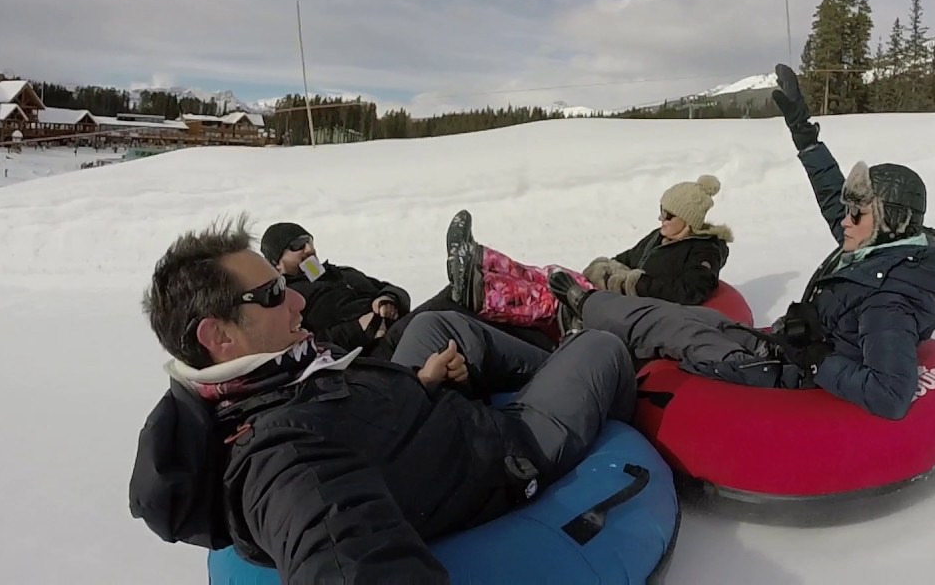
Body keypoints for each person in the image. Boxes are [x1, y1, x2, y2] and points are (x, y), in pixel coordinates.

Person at [128, 215, 638, 583]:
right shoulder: (285, 461)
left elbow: (351, 416)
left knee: (435, 325)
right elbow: (341, 553)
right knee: (601, 345)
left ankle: (551, 354)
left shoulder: (278, 375)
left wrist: (420, 383)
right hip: (505, 451)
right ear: (218, 337)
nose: (297, 299)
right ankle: (581, 371)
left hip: (428, 414)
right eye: (271, 295)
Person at [546, 64, 935, 420]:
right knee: (692, 319)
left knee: (671, 328)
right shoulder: (875, 247)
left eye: (857, 211)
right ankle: (586, 313)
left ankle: (579, 309)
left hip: (790, 371)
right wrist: (804, 134)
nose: (845, 218)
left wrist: (815, 356)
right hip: (782, 344)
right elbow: (831, 196)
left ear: (889, 221)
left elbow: (891, 396)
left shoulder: (888, 300)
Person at [444, 175, 734, 331]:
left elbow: (689, 292)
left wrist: (629, 282)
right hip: (619, 297)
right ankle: (477, 259)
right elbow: (628, 258)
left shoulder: (704, 251)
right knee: (552, 274)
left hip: (634, 310)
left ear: (689, 219)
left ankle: (481, 293)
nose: (661, 219)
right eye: (661, 211)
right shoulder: (661, 237)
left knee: (555, 300)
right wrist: (608, 269)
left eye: (668, 214)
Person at [262, 221, 554, 358]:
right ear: (276, 263)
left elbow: (395, 289)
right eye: (297, 246)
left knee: (470, 305)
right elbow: (306, 344)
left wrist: (387, 299)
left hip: (400, 327)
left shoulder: (342, 273)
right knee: (456, 298)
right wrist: (359, 328)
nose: (309, 249)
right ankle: (543, 309)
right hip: (374, 355)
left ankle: (548, 312)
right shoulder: (287, 297)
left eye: (309, 240)